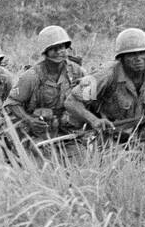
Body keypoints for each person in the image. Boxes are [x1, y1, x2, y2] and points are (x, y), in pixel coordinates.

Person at [64, 27, 145, 146]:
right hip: (114, 140)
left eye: (142, 53)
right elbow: (71, 102)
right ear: (122, 58)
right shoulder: (105, 75)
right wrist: (94, 120)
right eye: (132, 54)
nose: (138, 58)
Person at [6, 25, 86, 157]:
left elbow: (90, 101)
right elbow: (12, 102)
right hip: (38, 134)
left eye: (62, 47)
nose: (60, 52)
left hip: (68, 133)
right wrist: (29, 120)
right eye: (54, 48)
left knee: (81, 158)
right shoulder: (32, 76)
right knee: (44, 160)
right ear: (46, 51)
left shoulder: (77, 72)